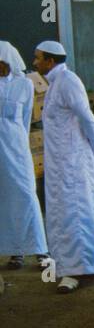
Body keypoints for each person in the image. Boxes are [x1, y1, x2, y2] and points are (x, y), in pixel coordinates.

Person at [33, 40, 94, 293]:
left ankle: (77, 270)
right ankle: (77, 265)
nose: (35, 63)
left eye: (38, 58)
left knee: (75, 213)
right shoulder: (55, 84)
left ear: (50, 61)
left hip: (73, 163)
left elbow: (87, 118)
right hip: (61, 163)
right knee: (65, 214)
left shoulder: (68, 81)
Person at [0, 41, 48, 271]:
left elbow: (27, 117)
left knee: (26, 195)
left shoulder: (24, 86)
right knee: (4, 201)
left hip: (16, 147)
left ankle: (40, 249)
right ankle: (15, 252)